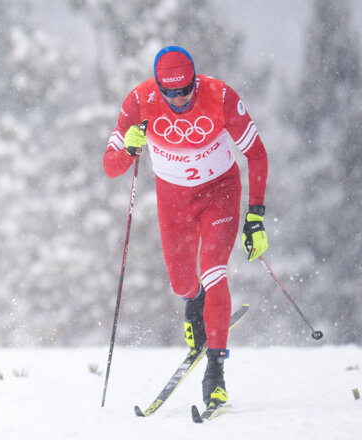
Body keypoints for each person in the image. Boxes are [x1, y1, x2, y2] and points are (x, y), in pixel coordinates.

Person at [103, 45, 269, 409]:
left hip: (219, 193)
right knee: (182, 282)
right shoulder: (139, 102)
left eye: (186, 89)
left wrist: (255, 216)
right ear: (159, 87)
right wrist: (129, 150)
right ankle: (196, 306)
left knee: (214, 271)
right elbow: (110, 166)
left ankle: (216, 371)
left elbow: (256, 153)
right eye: (171, 92)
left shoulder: (221, 96)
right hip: (173, 200)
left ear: (195, 80)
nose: (179, 98)